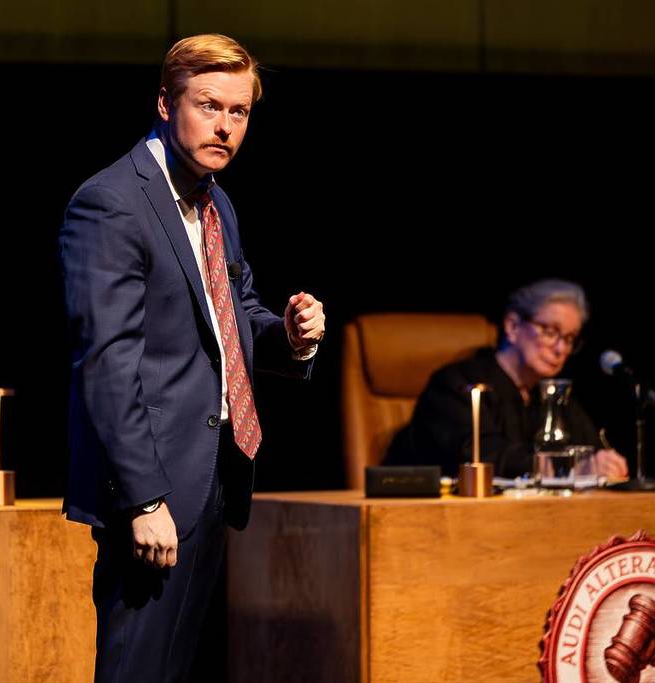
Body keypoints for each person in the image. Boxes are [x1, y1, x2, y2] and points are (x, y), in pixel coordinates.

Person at [59, 34, 325, 681]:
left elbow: (234, 314)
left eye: (239, 112)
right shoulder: (112, 202)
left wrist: (289, 334)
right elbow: (108, 362)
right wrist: (144, 500)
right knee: (135, 668)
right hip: (150, 491)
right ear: (164, 102)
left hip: (211, 477)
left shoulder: (215, 201)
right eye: (209, 105)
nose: (226, 125)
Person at [385, 278, 629, 479]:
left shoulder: (553, 396)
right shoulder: (457, 385)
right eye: (550, 331)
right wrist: (570, 467)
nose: (560, 349)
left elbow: (590, 448)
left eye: (568, 338)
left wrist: (606, 463)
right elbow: (484, 457)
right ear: (512, 326)